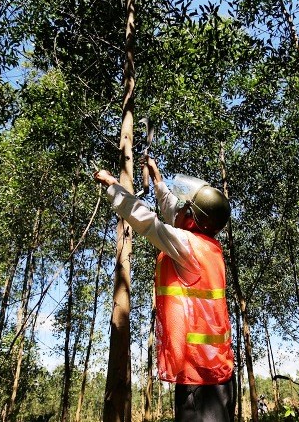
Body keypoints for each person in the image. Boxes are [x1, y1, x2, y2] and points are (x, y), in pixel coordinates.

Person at [94, 156, 234, 422]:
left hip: (200, 378)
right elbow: (173, 213)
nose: (179, 208)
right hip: (216, 371)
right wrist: (157, 178)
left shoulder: (188, 245)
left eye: (185, 208)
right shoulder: (206, 246)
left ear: (192, 220)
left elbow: (149, 222)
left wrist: (112, 183)